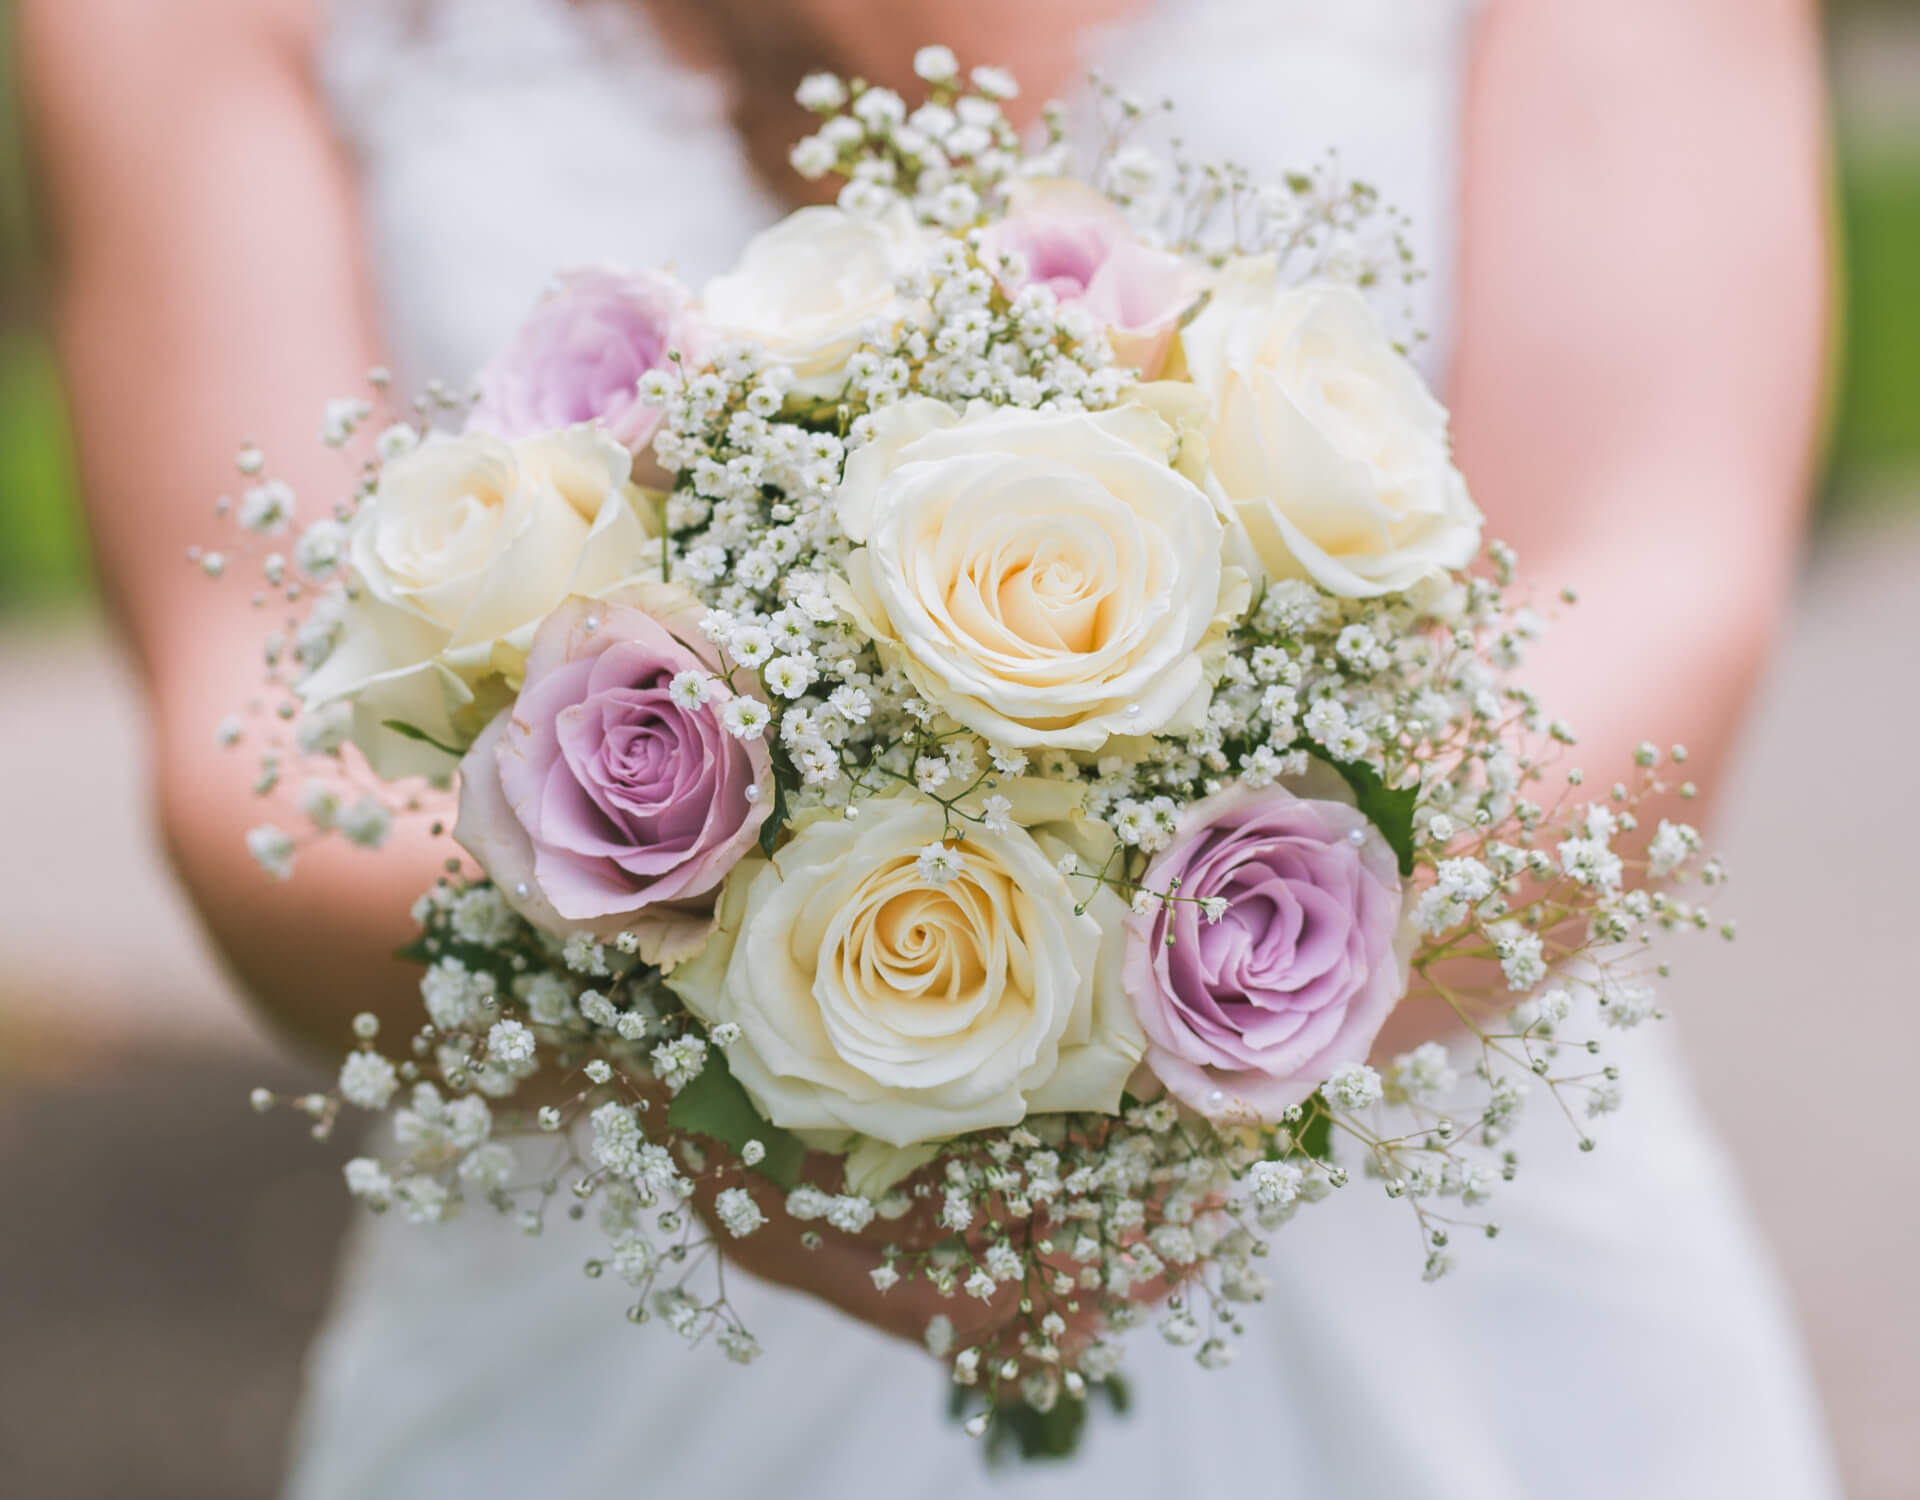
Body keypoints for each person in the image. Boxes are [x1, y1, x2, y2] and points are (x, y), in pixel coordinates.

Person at [22, 0, 1840, 1494]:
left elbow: (1652, 568)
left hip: (1471, 1323)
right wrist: (741, 1060)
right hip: (617, 1344)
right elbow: (259, 744)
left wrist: (1169, 1021)